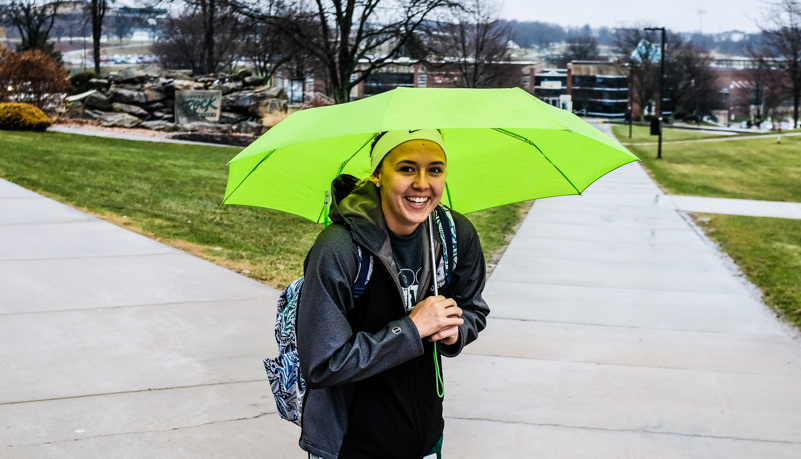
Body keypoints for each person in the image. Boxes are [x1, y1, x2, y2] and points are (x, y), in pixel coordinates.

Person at [296, 129, 490, 459]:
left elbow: (473, 308)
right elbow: (322, 364)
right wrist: (411, 329)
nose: (422, 184)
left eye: (435, 169)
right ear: (377, 174)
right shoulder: (339, 249)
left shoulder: (453, 235)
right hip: (351, 444)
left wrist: (455, 330)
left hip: (425, 438)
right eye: (406, 168)